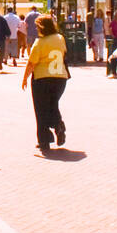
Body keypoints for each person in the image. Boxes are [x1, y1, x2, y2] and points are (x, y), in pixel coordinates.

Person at [22, 13, 69, 152]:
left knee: (40, 109)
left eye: (37, 27)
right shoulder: (60, 38)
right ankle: (58, 124)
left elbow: (31, 63)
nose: (36, 30)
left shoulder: (39, 42)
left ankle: (44, 140)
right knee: (52, 104)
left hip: (42, 78)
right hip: (60, 77)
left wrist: (24, 78)